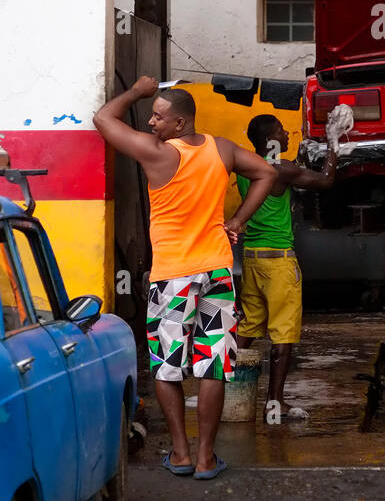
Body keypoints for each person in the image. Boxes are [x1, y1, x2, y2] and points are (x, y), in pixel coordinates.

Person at [93, 77, 276, 478]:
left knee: (167, 365)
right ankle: (207, 457)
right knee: (212, 363)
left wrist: (137, 92)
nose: (151, 123)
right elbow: (267, 173)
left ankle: (181, 453)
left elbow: (103, 118)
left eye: (159, 117)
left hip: (173, 276)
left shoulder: (155, 153)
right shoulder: (221, 149)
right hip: (217, 271)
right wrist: (238, 221)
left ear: (179, 124)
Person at [236, 114, 337, 422]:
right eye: (281, 131)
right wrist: (334, 143)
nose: (288, 134)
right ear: (271, 140)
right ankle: (274, 404)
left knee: (249, 325)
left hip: (251, 257)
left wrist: (300, 157)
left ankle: (223, 387)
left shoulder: (247, 166)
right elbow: (326, 180)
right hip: (279, 261)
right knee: (283, 334)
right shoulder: (282, 170)